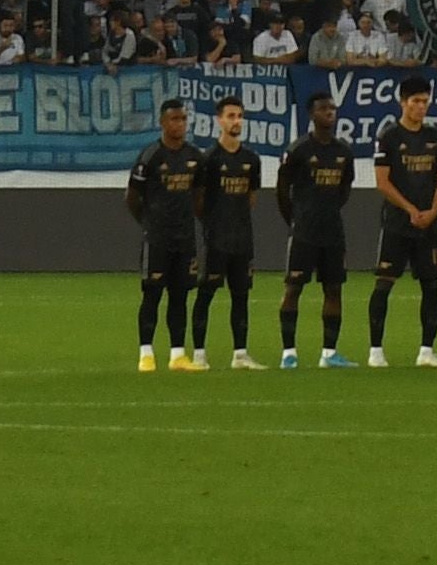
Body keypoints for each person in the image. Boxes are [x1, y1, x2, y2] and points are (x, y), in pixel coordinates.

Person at [366, 85, 437, 368]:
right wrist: (410, 210)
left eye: (425, 101)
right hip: (397, 223)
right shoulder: (389, 137)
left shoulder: (434, 137)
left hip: (428, 225)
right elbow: (383, 181)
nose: (422, 106)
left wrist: (432, 212)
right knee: (384, 283)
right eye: (416, 100)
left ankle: (427, 351)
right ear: (403, 103)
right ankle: (376, 351)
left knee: (431, 285)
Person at [272, 97, 360, 370]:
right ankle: (289, 353)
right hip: (304, 233)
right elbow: (281, 190)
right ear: (311, 114)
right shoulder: (298, 149)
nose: (329, 113)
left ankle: (329, 353)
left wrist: (328, 211)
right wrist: (296, 219)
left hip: (333, 232)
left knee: (334, 290)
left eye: (332, 109)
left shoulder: (344, 151)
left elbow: (345, 188)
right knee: (293, 288)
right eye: (324, 109)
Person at [124, 101, 205, 374]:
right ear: (162, 123)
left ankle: (178, 354)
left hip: (185, 239)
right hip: (158, 238)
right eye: (174, 119)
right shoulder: (150, 156)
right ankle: (146, 353)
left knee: (180, 296)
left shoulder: (195, 156)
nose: (180, 124)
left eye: (183, 119)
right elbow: (132, 197)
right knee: (152, 294)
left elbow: (199, 196)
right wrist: (149, 224)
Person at [194, 98, 269, 370]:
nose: (236, 121)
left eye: (239, 116)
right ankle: (199, 354)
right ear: (219, 121)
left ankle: (240, 354)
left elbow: (251, 198)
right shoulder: (208, 160)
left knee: (241, 296)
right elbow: (199, 201)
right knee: (206, 294)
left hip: (242, 239)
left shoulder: (252, 160)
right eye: (231, 116)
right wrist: (214, 223)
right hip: (216, 239)